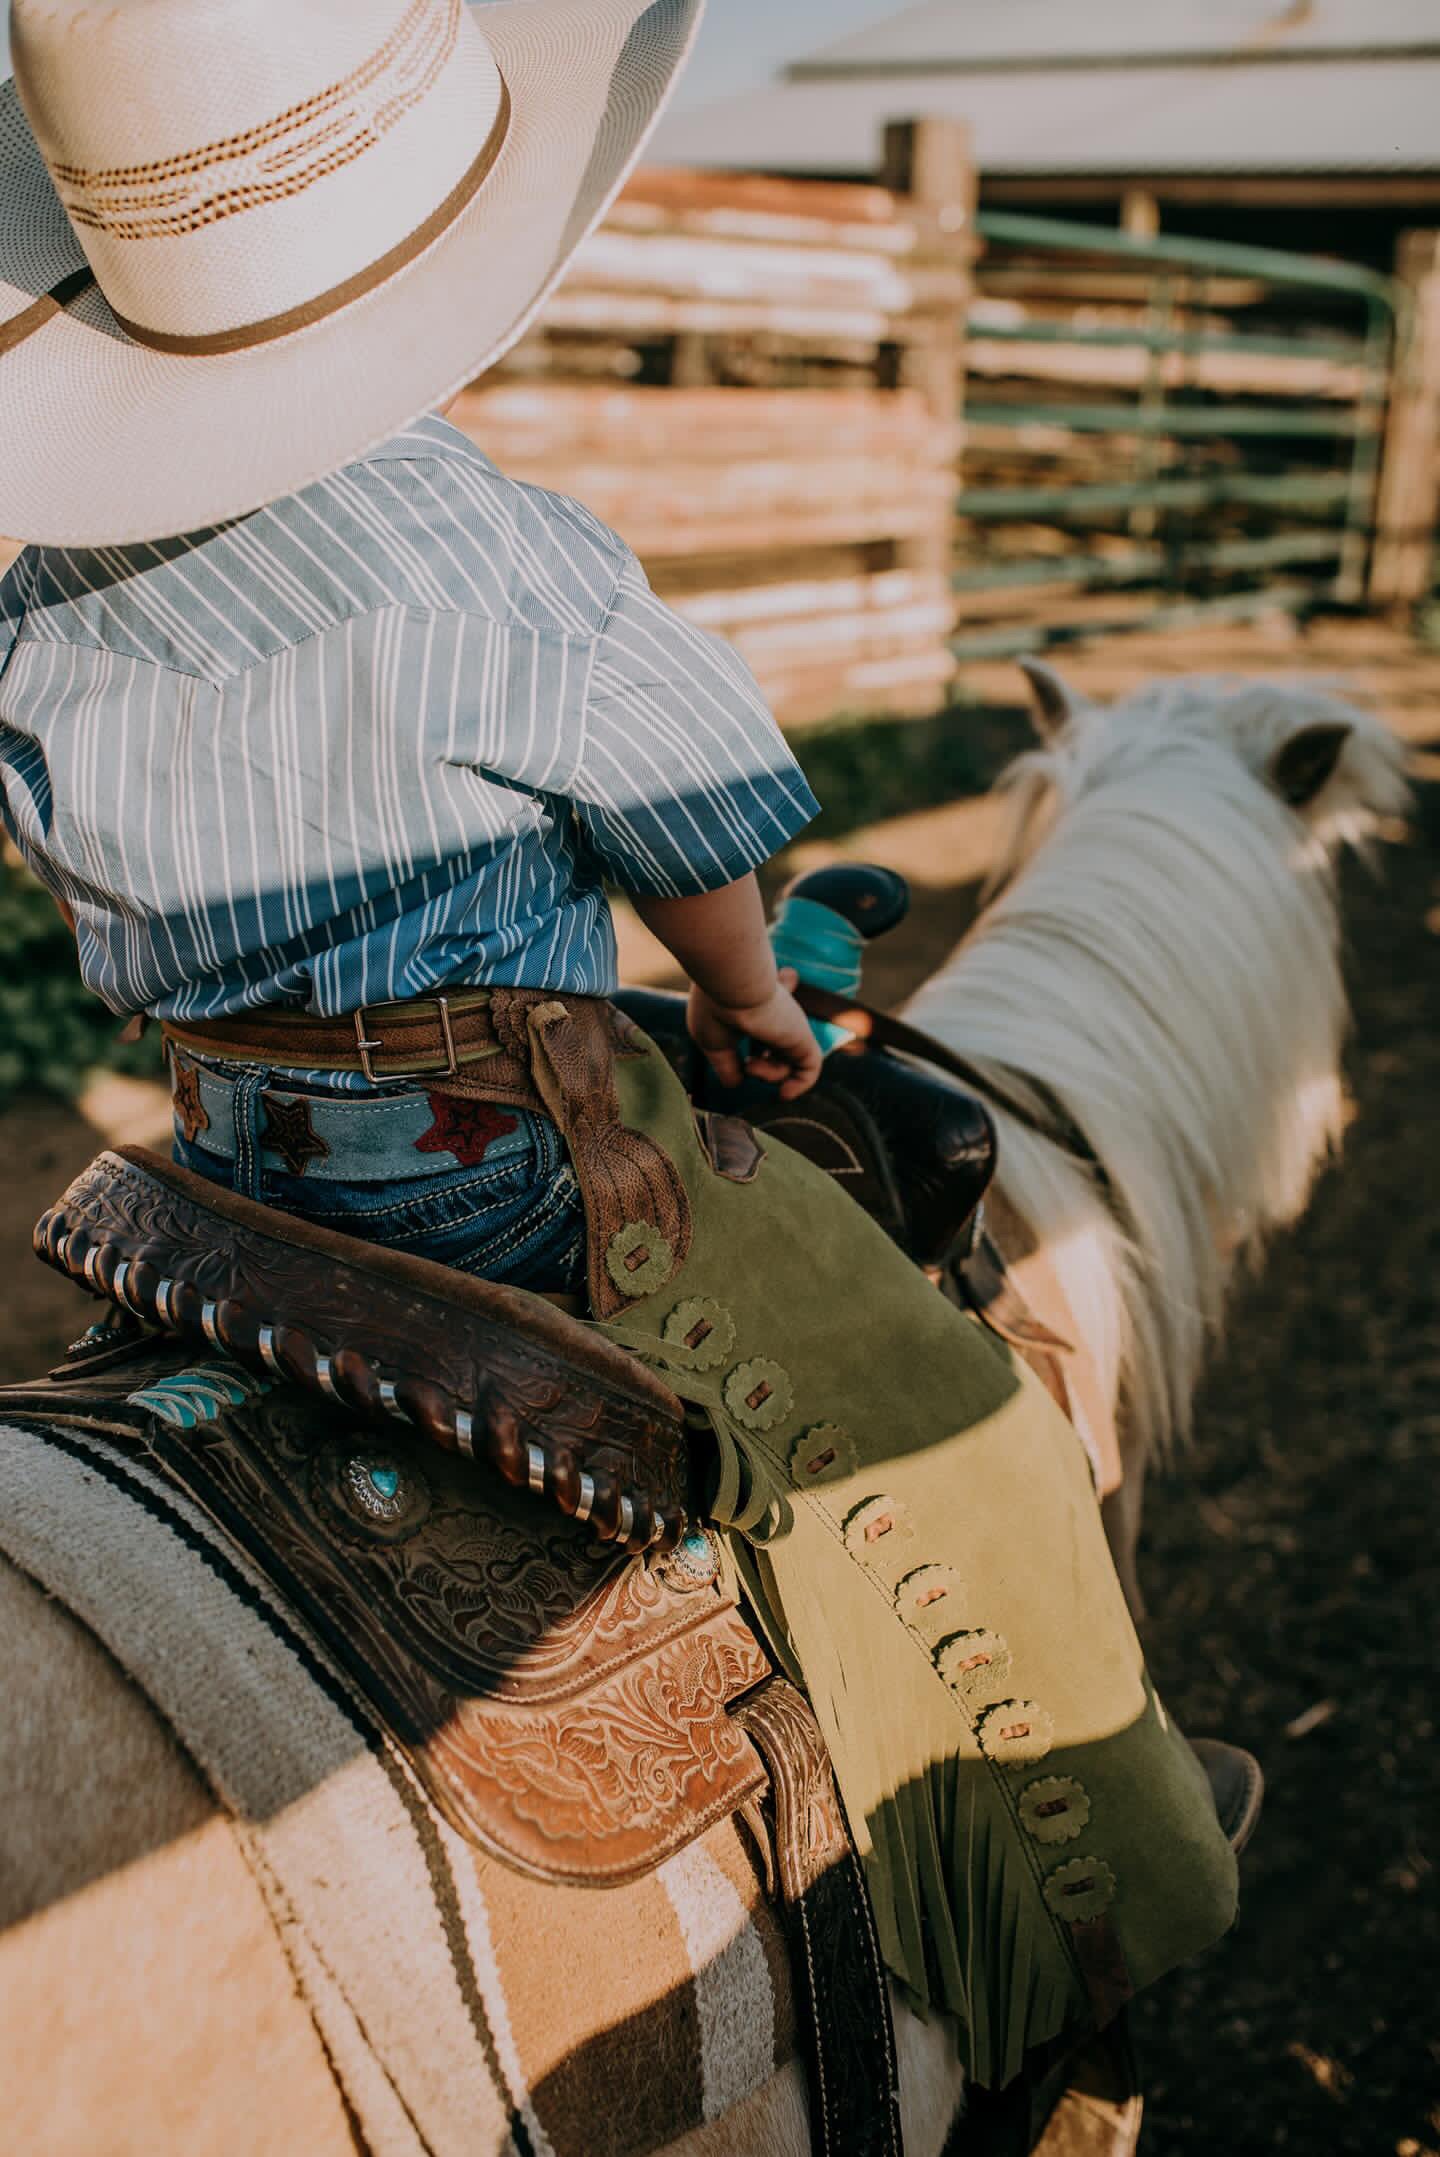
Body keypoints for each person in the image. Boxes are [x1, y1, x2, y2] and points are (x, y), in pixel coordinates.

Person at [0, 0, 1242, 2093]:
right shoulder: (495, 550)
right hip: (500, 1174)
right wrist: (751, 1001)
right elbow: (688, 814)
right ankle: (1086, 1898)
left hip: (226, 1166)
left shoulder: (46, 582)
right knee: (942, 1412)